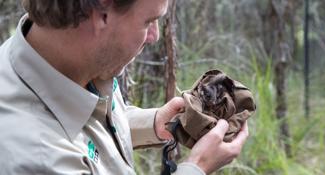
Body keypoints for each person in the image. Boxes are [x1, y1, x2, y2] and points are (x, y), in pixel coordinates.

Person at [0, 0, 249, 174]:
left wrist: (153, 124)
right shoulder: (36, 160)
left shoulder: (63, 56)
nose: (155, 36)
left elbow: (85, 126)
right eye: (149, 21)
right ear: (101, 13)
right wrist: (197, 167)